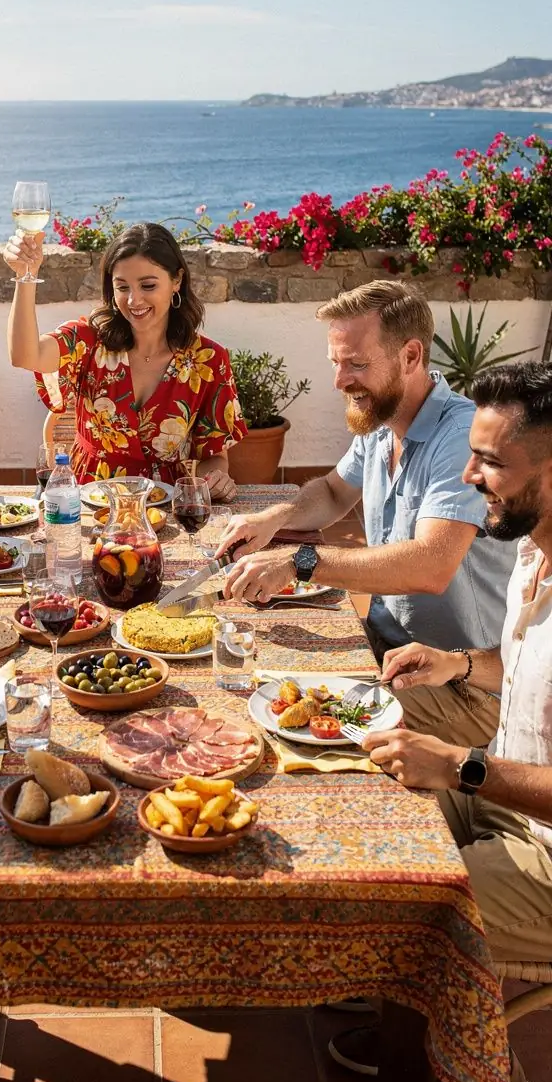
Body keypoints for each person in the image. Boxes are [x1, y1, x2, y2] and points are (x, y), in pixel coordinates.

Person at [328, 361, 552, 1082]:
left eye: (490, 462)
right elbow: (522, 666)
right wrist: (460, 664)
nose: (467, 475)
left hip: (547, 854)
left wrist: (460, 766)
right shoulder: (534, 548)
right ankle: (393, 1007)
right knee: (354, 764)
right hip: (511, 795)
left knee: (411, 913)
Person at [220, 280, 515, 746]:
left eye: (356, 364)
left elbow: (431, 566)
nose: (339, 381)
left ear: (411, 357)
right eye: (336, 363)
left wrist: (302, 562)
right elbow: (335, 493)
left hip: (463, 683)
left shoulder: (460, 436)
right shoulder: (383, 418)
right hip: (388, 649)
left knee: (284, 727)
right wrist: (273, 519)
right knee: (258, 682)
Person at [5, 222, 246, 500]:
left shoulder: (208, 361)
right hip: (88, 501)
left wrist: (216, 478)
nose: (134, 300)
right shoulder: (87, 341)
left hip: (166, 505)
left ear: (176, 280)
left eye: (148, 285)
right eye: (122, 287)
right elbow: (25, 355)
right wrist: (26, 276)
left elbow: (215, 455)